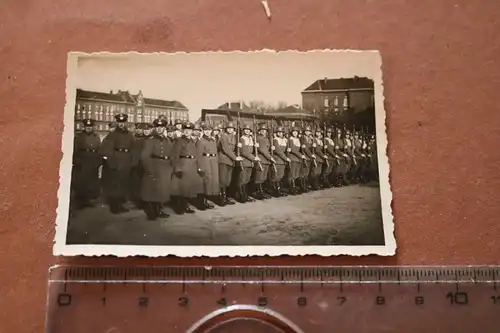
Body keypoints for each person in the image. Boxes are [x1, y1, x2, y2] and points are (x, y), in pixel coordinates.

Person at [100, 113, 136, 214]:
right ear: (117, 122)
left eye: (123, 122)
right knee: (115, 186)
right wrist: (112, 163)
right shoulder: (112, 135)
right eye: (119, 122)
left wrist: (132, 162)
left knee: (123, 184)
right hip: (116, 162)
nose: (121, 124)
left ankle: (120, 205)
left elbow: (134, 148)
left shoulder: (130, 135)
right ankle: (114, 207)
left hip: (126, 162)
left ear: (126, 123)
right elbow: (107, 150)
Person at [140, 118, 173, 220]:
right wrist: (149, 169)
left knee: (161, 191)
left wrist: (170, 168)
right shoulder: (151, 140)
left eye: (161, 127)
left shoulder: (167, 140)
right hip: (154, 167)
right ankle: (152, 212)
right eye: (157, 127)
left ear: (164, 128)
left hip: (165, 168)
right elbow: (144, 156)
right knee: (152, 191)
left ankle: (159, 210)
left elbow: (171, 155)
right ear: (155, 128)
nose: (159, 129)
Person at [171, 122, 203, 214]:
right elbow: (175, 156)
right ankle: (179, 208)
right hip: (183, 165)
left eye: (189, 130)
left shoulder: (192, 141)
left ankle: (185, 206)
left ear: (192, 131)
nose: (187, 132)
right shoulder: (179, 141)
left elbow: (195, 155)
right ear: (182, 131)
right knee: (181, 188)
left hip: (192, 166)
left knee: (188, 188)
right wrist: (177, 169)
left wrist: (198, 167)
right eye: (185, 130)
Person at [72, 119, 102, 209]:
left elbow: (99, 150)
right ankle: (80, 202)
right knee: (82, 182)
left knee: (91, 182)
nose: (89, 128)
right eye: (87, 127)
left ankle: (88, 201)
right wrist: (77, 161)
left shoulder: (96, 137)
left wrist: (98, 161)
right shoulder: (79, 137)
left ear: (92, 127)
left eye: (90, 127)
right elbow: (75, 150)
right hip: (83, 160)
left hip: (93, 161)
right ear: (84, 127)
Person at [196, 123, 219, 209]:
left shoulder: (213, 140)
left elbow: (216, 153)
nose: (208, 132)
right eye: (206, 130)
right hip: (205, 162)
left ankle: (206, 201)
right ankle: (201, 203)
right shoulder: (201, 141)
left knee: (211, 183)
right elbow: (198, 155)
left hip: (213, 162)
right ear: (203, 131)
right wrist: (200, 167)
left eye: (209, 130)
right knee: (205, 182)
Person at [217, 122, 240, 205]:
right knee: (222, 180)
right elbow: (226, 149)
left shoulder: (234, 137)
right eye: (228, 128)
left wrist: (238, 146)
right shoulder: (224, 136)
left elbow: (234, 149)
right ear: (226, 129)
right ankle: (221, 198)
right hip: (223, 160)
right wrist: (235, 157)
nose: (230, 129)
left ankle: (225, 197)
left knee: (227, 181)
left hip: (230, 161)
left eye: (232, 128)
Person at [238, 123, 258, 202]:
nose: (247, 131)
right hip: (244, 161)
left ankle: (245, 195)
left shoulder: (251, 139)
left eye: (248, 130)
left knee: (247, 179)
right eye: (245, 130)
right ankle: (241, 196)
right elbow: (244, 152)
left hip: (250, 162)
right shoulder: (242, 139)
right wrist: (253, 158)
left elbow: (252, 151)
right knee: (242, 179)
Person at [254, 123, 274, 199]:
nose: (263, 131)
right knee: (259, 177)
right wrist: (270, 157)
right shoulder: (259, 138)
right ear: (259, 131)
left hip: (266, 161)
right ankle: (259, 192)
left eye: (264, 130)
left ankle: (262, 191)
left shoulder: (267, 139)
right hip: (262, 159)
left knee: (263, 177)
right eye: (262, 130)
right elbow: (263, 150)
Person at [270, 126, 289, 196]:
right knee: (275, 176)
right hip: (277, 160)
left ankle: (278, 189)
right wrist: (286, 158)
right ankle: (275, 191)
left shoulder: (285, 140)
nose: (280, 134)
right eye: (279, 132)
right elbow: (279, 151)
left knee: (280, 176)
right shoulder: (275, 140)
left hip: (282, 161)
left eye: (281, 132)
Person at [286, 126, 304, 194]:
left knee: (296, 174)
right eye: (294, 132)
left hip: (298, 159)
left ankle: (294, 187)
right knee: (292, 174)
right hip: (293, 158)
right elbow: (293, 150)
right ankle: (291, 188)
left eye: (296, 132)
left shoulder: (298, 139)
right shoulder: (290, 139)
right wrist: (301, 155)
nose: (295, 133)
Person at [300, 126, 314, 192]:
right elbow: (305, 148)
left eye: (308, 131)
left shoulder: (310, 138)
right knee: (303, 172)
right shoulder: (303, 138)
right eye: (306, 131)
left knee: (307, 172)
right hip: (305, 157)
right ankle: (302, 187)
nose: (307, 132)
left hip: (309, 157)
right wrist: (311, 155)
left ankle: (305, 186)